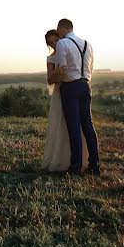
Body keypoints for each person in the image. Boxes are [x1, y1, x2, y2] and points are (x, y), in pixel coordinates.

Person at [53, 18, 101, 175]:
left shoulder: (62, 43)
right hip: (85, 85)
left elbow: (61, 69)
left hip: (71, 87)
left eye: (58, 30)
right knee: (88, 125)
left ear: (62, 28)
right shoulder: (88, 44)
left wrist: (52, 81)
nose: (58, 34)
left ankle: (75, 167)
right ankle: (94, 165)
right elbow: (91, 68)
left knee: (74, 127)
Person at [42, 30, 88, 173]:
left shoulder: (69, 50)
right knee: (61, 125)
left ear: (60, 37)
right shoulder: (50, 59)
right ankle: (60, 160)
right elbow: (50, 79)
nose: (55, 44)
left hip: (74, 88)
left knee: (77, 125)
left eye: (55, 40)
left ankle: (77, 159)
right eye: (51, 43)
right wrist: (57, 74)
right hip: (60, 93)